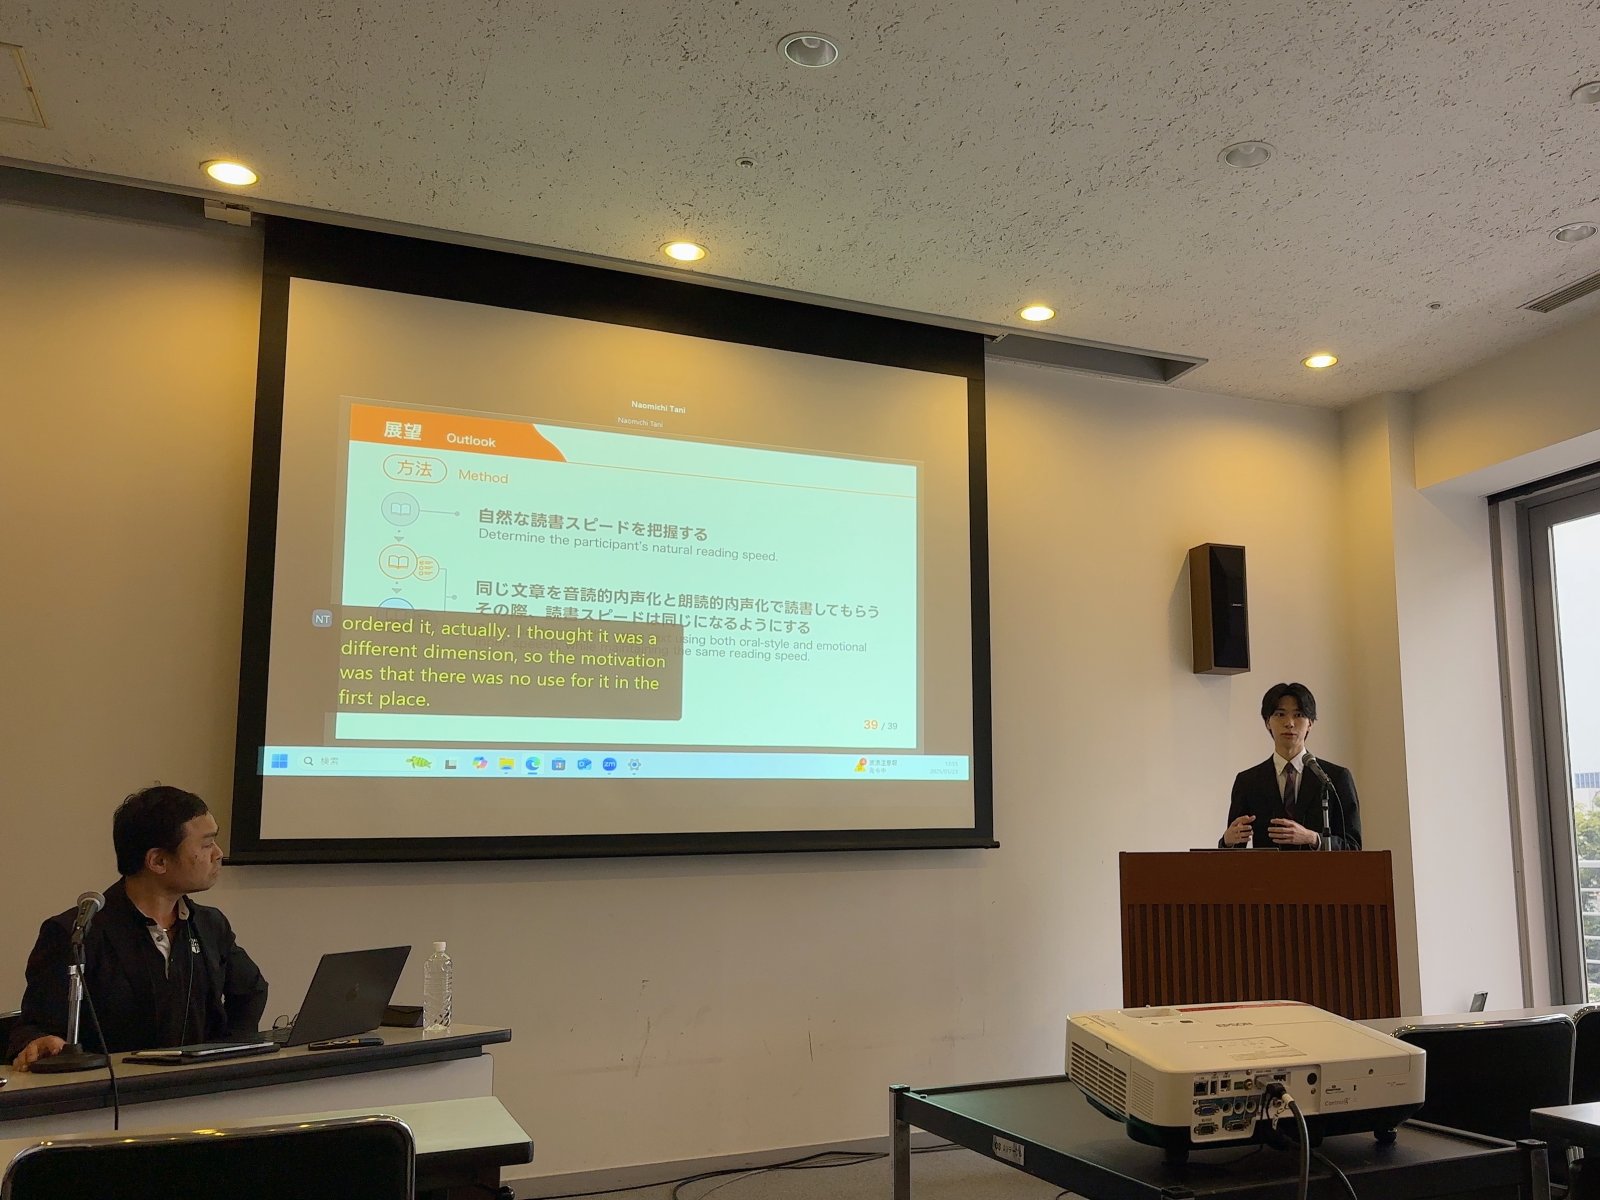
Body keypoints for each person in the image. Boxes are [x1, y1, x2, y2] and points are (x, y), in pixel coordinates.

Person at [8, 786, 268, 1068]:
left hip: (197, 1087)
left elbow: (251, 991)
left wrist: (225, 1054)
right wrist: (39, 1042)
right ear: (158, 861)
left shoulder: (210, 925)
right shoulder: (77, 934)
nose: (218, 854)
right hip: (110, 1089)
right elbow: (32, 1028)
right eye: (206, 844)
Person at [1219, 682, 1362, 850]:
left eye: (1298, 715)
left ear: (1310, 723)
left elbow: (1353, 847)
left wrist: (1313, 839)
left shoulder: (1334, 778)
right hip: (1268, 868)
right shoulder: (1248, 781)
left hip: (1318, 868)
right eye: (1280, 714)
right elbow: (1234, 853)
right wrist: (1227, 842)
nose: (1289, 723)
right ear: (1267, 722)